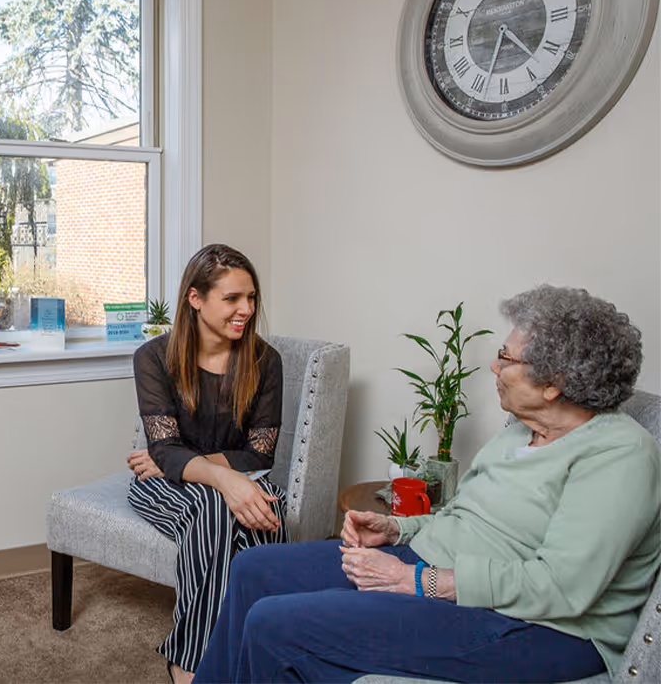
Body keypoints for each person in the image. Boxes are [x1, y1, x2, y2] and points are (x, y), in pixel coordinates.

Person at [195, 285, 660, 684]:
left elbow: (562, 588)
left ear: (553, 383)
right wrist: (399, 531)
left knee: (277, 625)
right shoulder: (522, 429)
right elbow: (467, 515)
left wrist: (417, 580)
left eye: (505, 358)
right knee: (255, 568)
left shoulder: (618, 456)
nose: (494, 369)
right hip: (441, 564)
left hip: (539, 627)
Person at [128, 244, 287, 684]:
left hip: (218, 473)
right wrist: (218, 476)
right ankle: (190, 666)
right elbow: (162, 451)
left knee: (270, 505)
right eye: (232, 299)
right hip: (160, 485)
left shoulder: (265, 361)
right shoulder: (153, 358)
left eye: (251, 298)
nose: (246, 310)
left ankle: (258, 649)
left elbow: (260, 454)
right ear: (195, 299)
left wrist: (182, 460)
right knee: (219, 506)